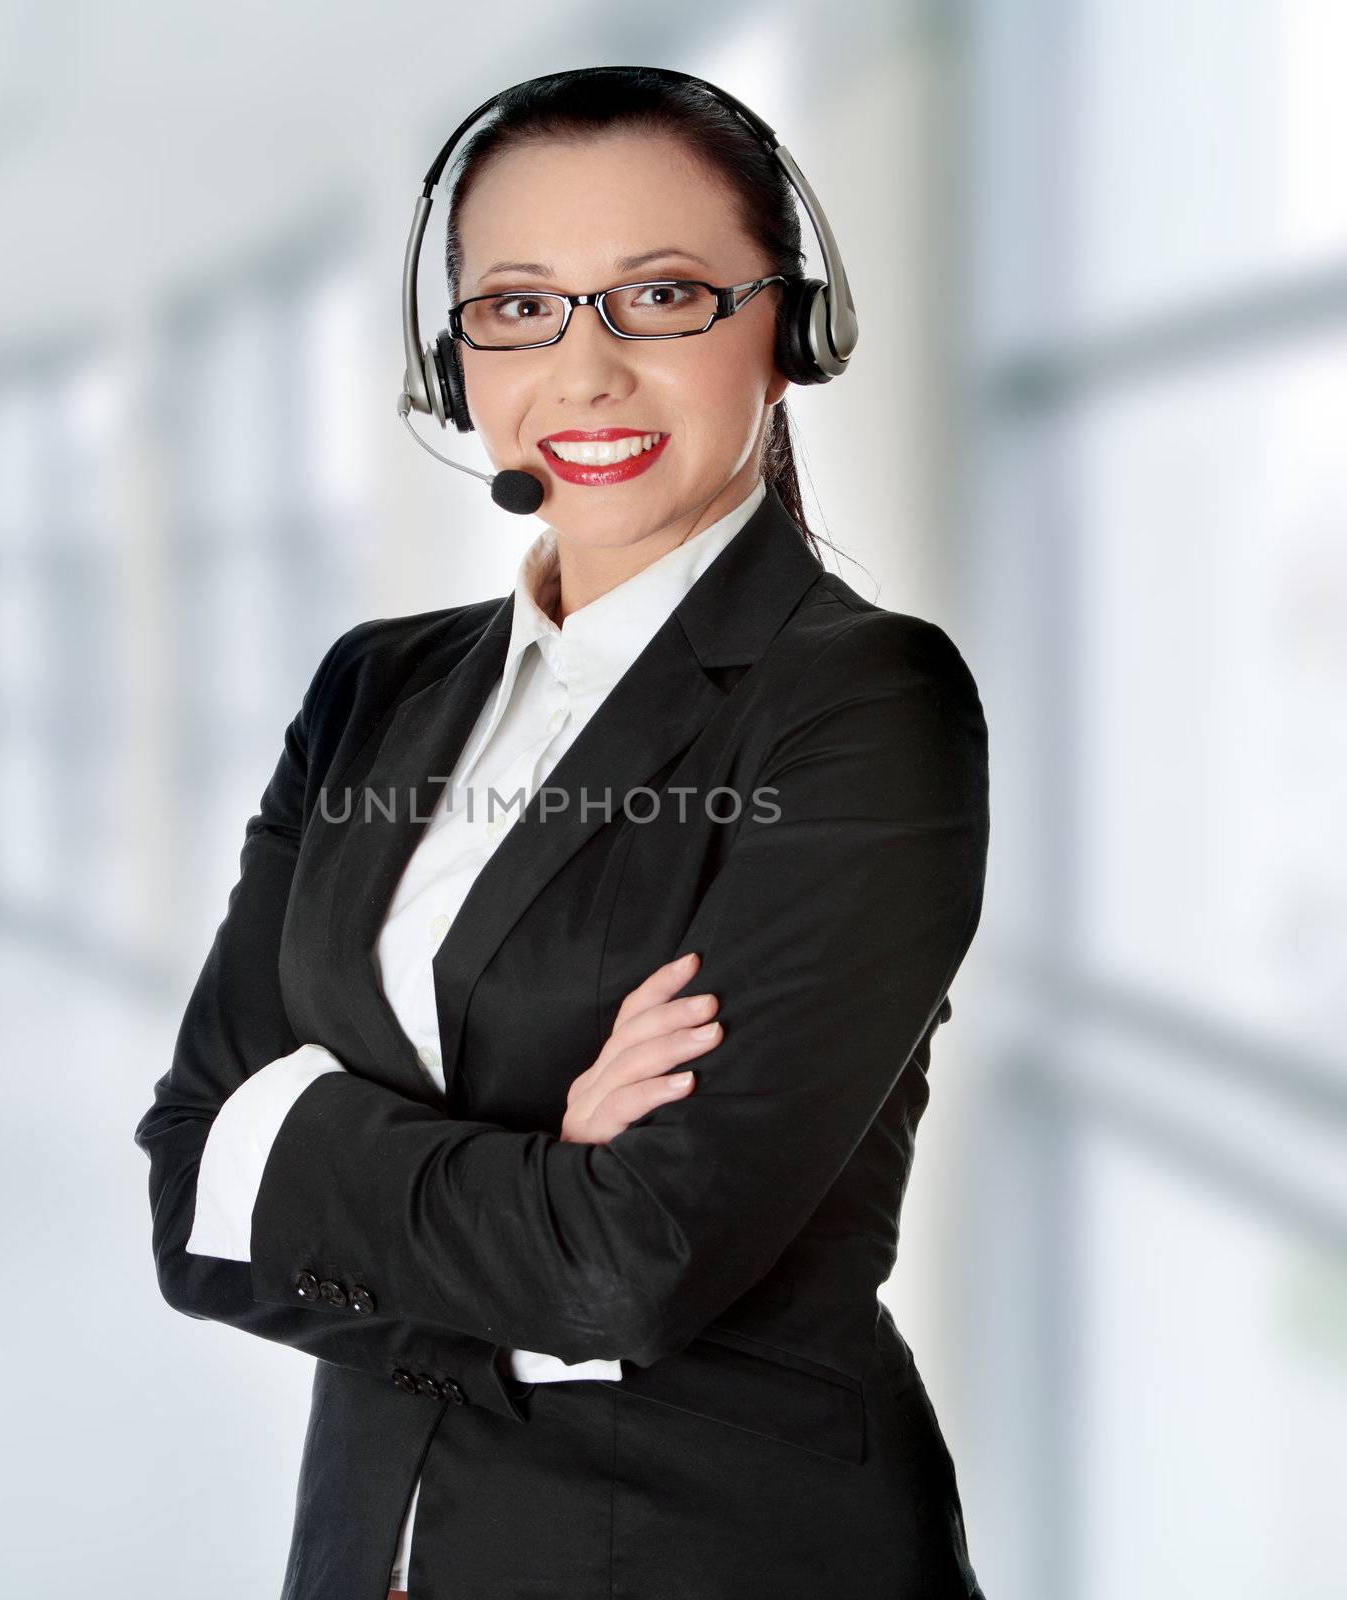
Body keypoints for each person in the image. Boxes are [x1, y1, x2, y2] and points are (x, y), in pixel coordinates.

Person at [135, 66, 992, 1599]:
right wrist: (540, 1170)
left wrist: (319, 1146)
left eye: (661, 295)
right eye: (519, 307)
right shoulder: (374, 691)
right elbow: (195, 1196)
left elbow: (631, 1262)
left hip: (712, 1551)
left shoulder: (861, 702)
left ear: (787, 335)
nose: (585, 374)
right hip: (368, 1544)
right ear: (453, 357)